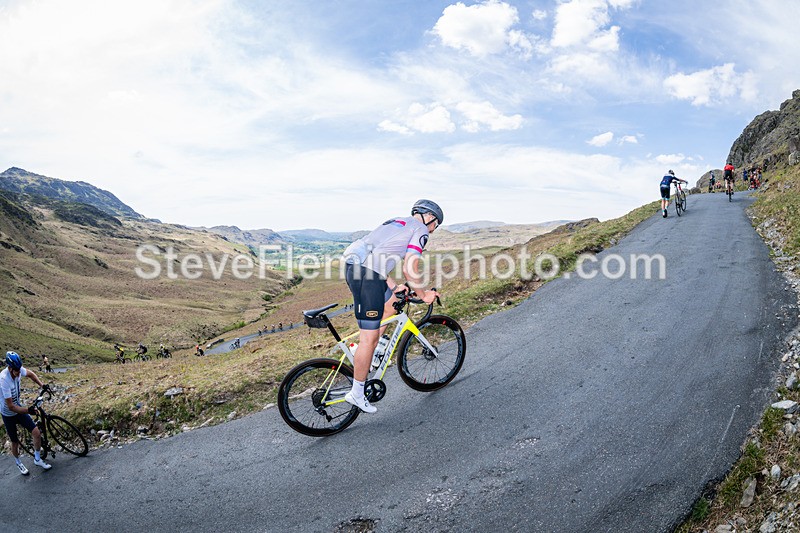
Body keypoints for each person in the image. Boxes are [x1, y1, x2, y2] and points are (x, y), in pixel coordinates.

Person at [340, 199, 443, 413]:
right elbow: (409, 268)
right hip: (367, 276)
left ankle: (373, 352)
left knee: (393, 303)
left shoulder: (396, 222)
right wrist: (424, 295)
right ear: (430, 218)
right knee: (368, 337)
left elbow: (375, 253)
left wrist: (393, 286)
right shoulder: (421, 230)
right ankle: (357, 393)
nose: (433, 230)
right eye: (436, 225)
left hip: (355, 267)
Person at [1, 352, 51, 474]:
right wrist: (28, 410)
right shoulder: (4, 380)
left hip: (18, 408)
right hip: (8, 414)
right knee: (14, 441)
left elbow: (31, 374)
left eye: (19, 369)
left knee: (36, 433)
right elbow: (11, 407)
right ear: (10, 368)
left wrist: (42, 385)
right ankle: (18, 462)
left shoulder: (18, 370)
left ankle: (37, 459)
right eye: (16, 370)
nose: (19, 373)